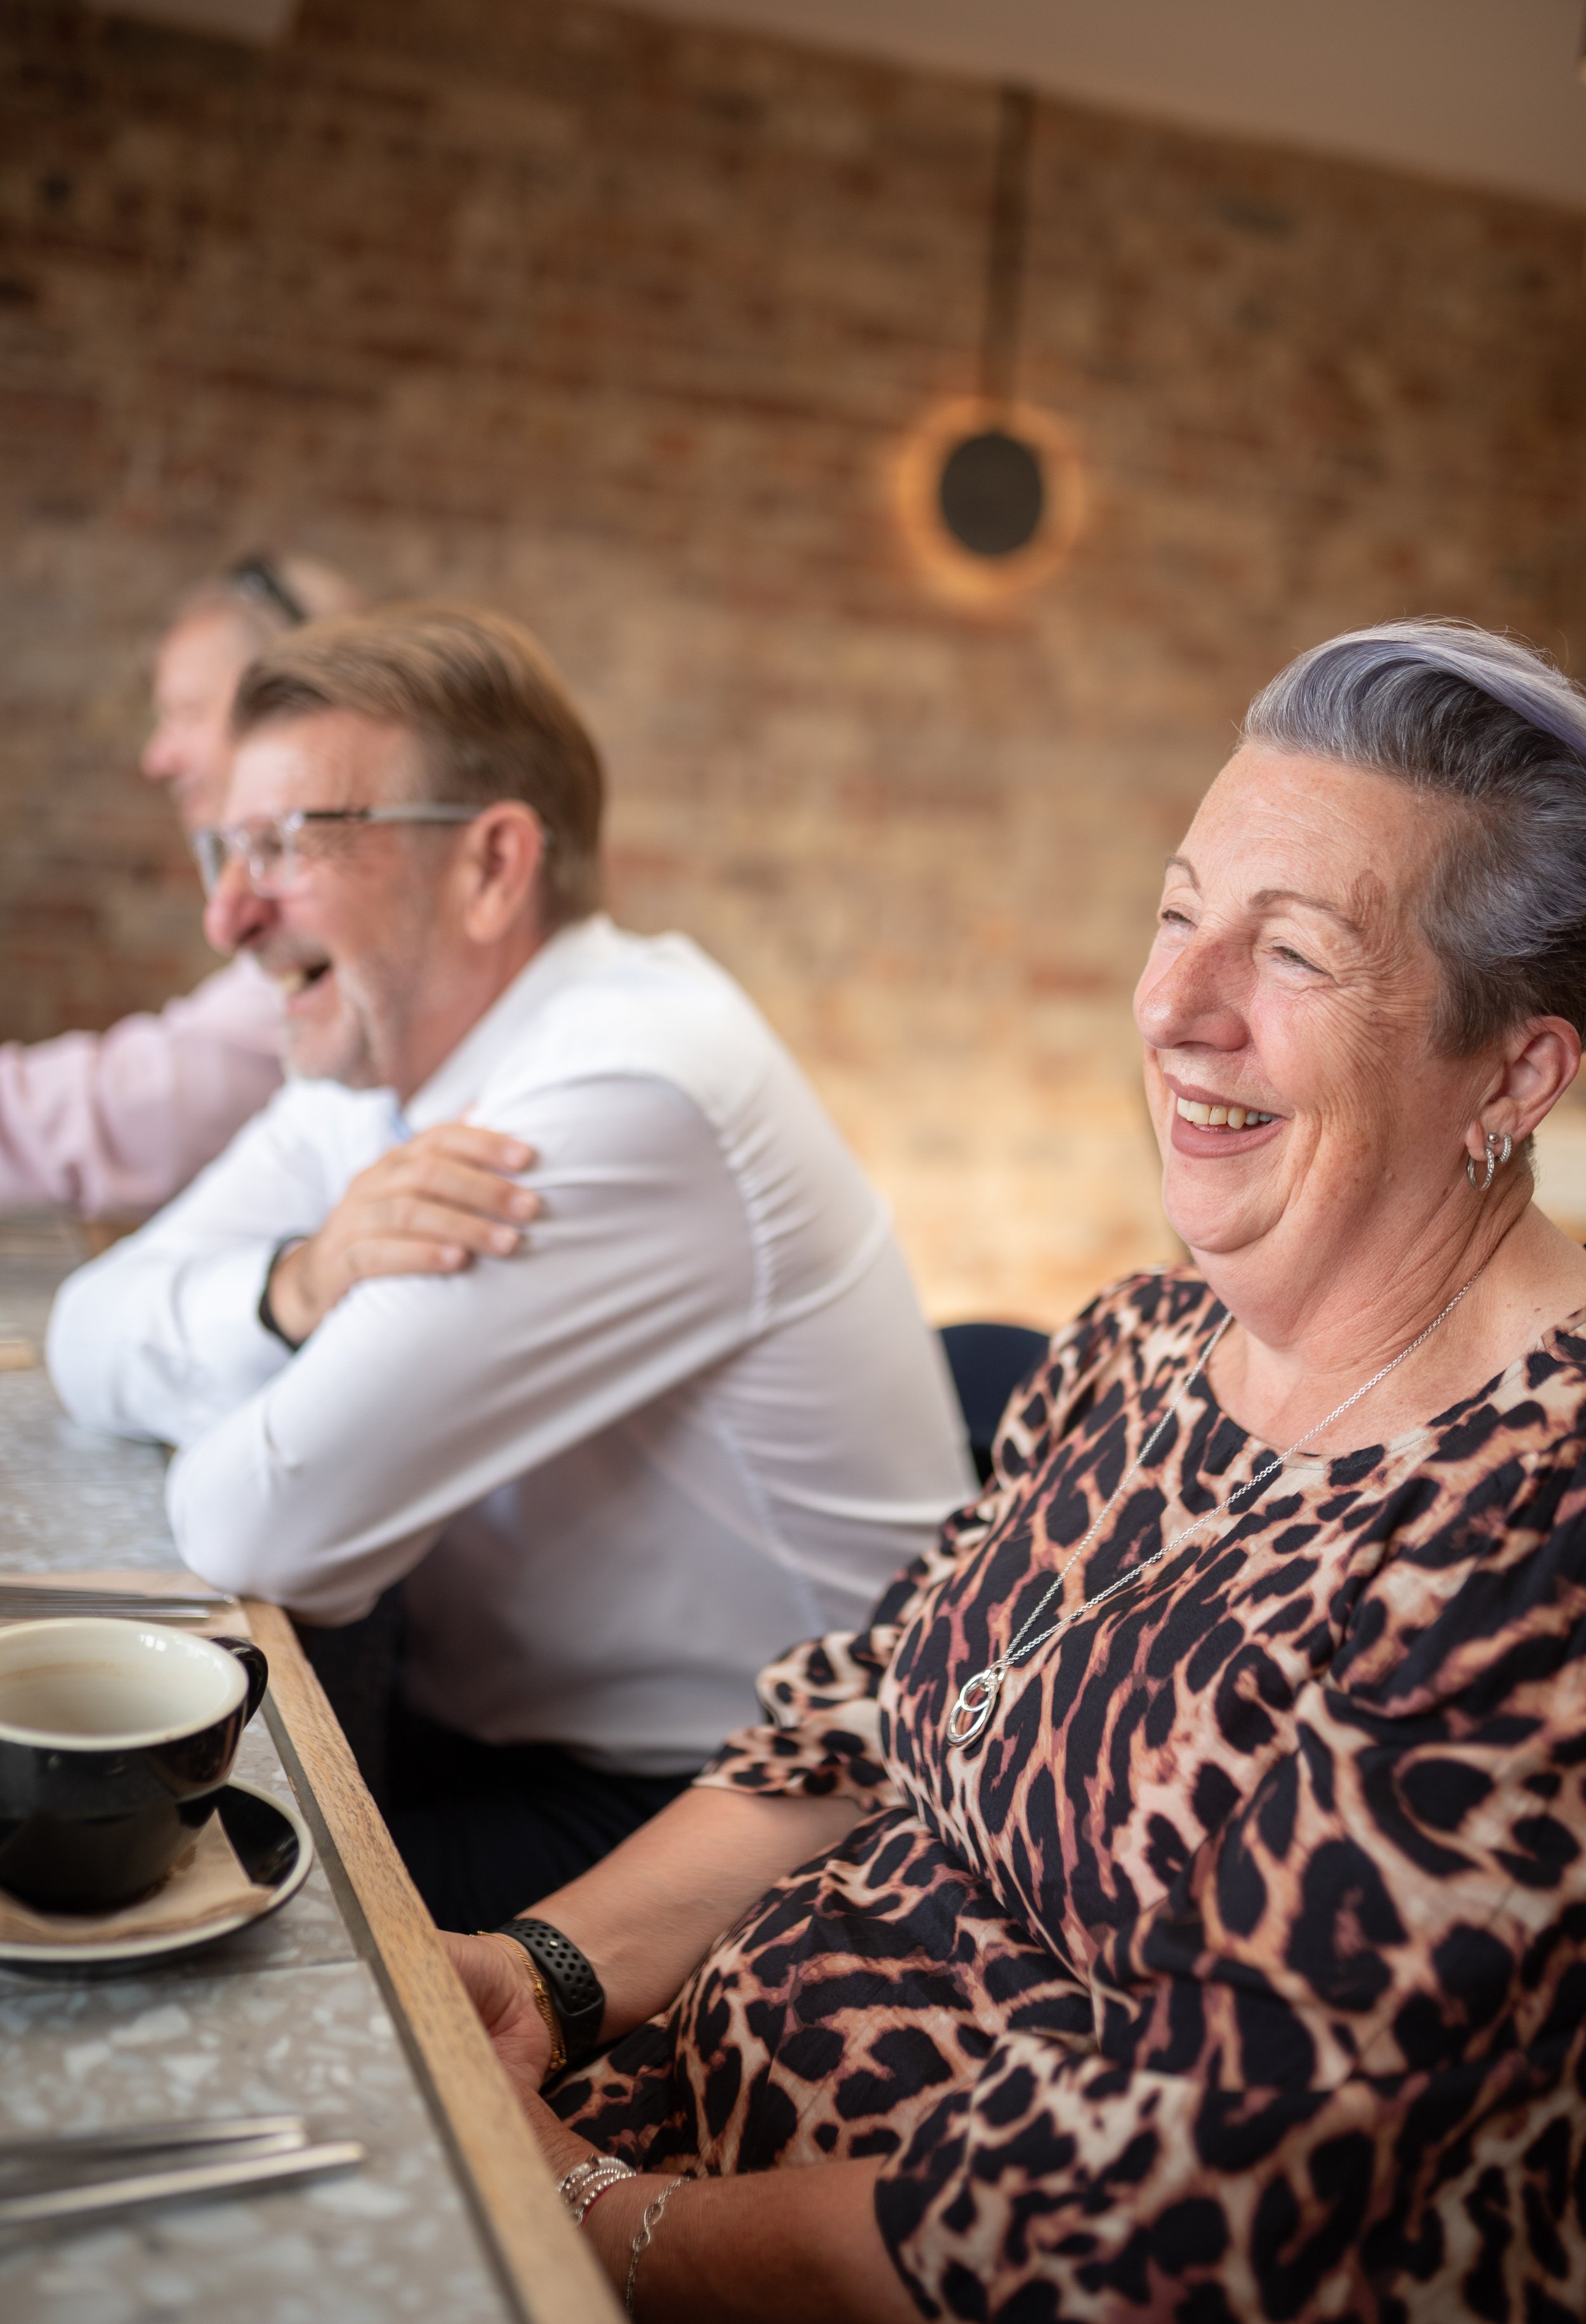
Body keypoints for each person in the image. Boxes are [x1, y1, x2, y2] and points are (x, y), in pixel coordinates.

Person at [443, 618, 1586, 2323]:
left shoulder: (1533, 1529)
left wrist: (605, 2226)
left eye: (1290, 954)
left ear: (1513, 1070)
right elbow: (859, 1711)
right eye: (1176, 913)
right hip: (670, 2149)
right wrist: (540, 1975)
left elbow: (1158, 2215)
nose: (1176, 1008)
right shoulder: (1136, 1343)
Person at [46, 603, 974, 1929]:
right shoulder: (375, 1054)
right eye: (224, 847)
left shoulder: (624, 1091)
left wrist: (232, 1375)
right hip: (514, 1737)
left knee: (148, 1921)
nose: (226, 913)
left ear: (490, 864)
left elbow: (256, 1525)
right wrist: (295, 1287)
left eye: (287, 846)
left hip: (756, 1819)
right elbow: (87, 1329)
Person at [0, 556, 358, 1219]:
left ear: (294, 706)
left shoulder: (341, 937)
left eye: (187, 713)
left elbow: (136, 1108)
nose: (156, 758)